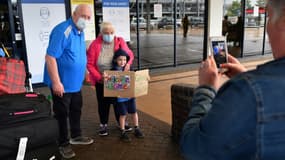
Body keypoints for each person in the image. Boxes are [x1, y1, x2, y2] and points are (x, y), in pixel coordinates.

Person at [180, 0, 285, 159]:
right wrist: (246, 77)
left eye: (269, 17)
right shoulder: (253, 88)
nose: (267, 30)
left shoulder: (247, 92)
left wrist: (206, 88)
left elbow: (195, 148)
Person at [43, 4, 94, 159]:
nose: (85, 19)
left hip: (76, 84)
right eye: (83, 16)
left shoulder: (80, 31)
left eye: (88, 17)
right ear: (74, 14)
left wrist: (85, 71)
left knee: (76, 110)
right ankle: (63, 143)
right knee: (61, 114)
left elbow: (79, 55)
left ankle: (76, 136)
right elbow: (50, 57)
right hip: (62, 85)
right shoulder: (63, 30)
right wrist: (56, 82)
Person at [87, 22, 134, 136]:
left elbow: (130, 55)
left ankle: (121, 122)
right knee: (103, 104)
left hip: (118, 78)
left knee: (119, 102)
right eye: (106, 33)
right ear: (101, 33)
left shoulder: (120, 41)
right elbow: (89, 64)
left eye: (112, 32)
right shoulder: (95, 44)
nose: (109, 35)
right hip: (101, 80)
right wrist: (99, 77)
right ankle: (103, 125)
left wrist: (127, 64)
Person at [108, 48, 144, 142]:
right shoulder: (112, 71)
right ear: (115, 60)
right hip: (120, 100)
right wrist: (106, 78)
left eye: (124, 59)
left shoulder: (130, 69)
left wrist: (145, 78)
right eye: (120, 59)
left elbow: (137, 79)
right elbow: (110, 84)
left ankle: (137, 128)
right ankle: (123, 131)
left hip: (130, 97)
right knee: (122, 115)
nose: (122, 62)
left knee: (134, 112)